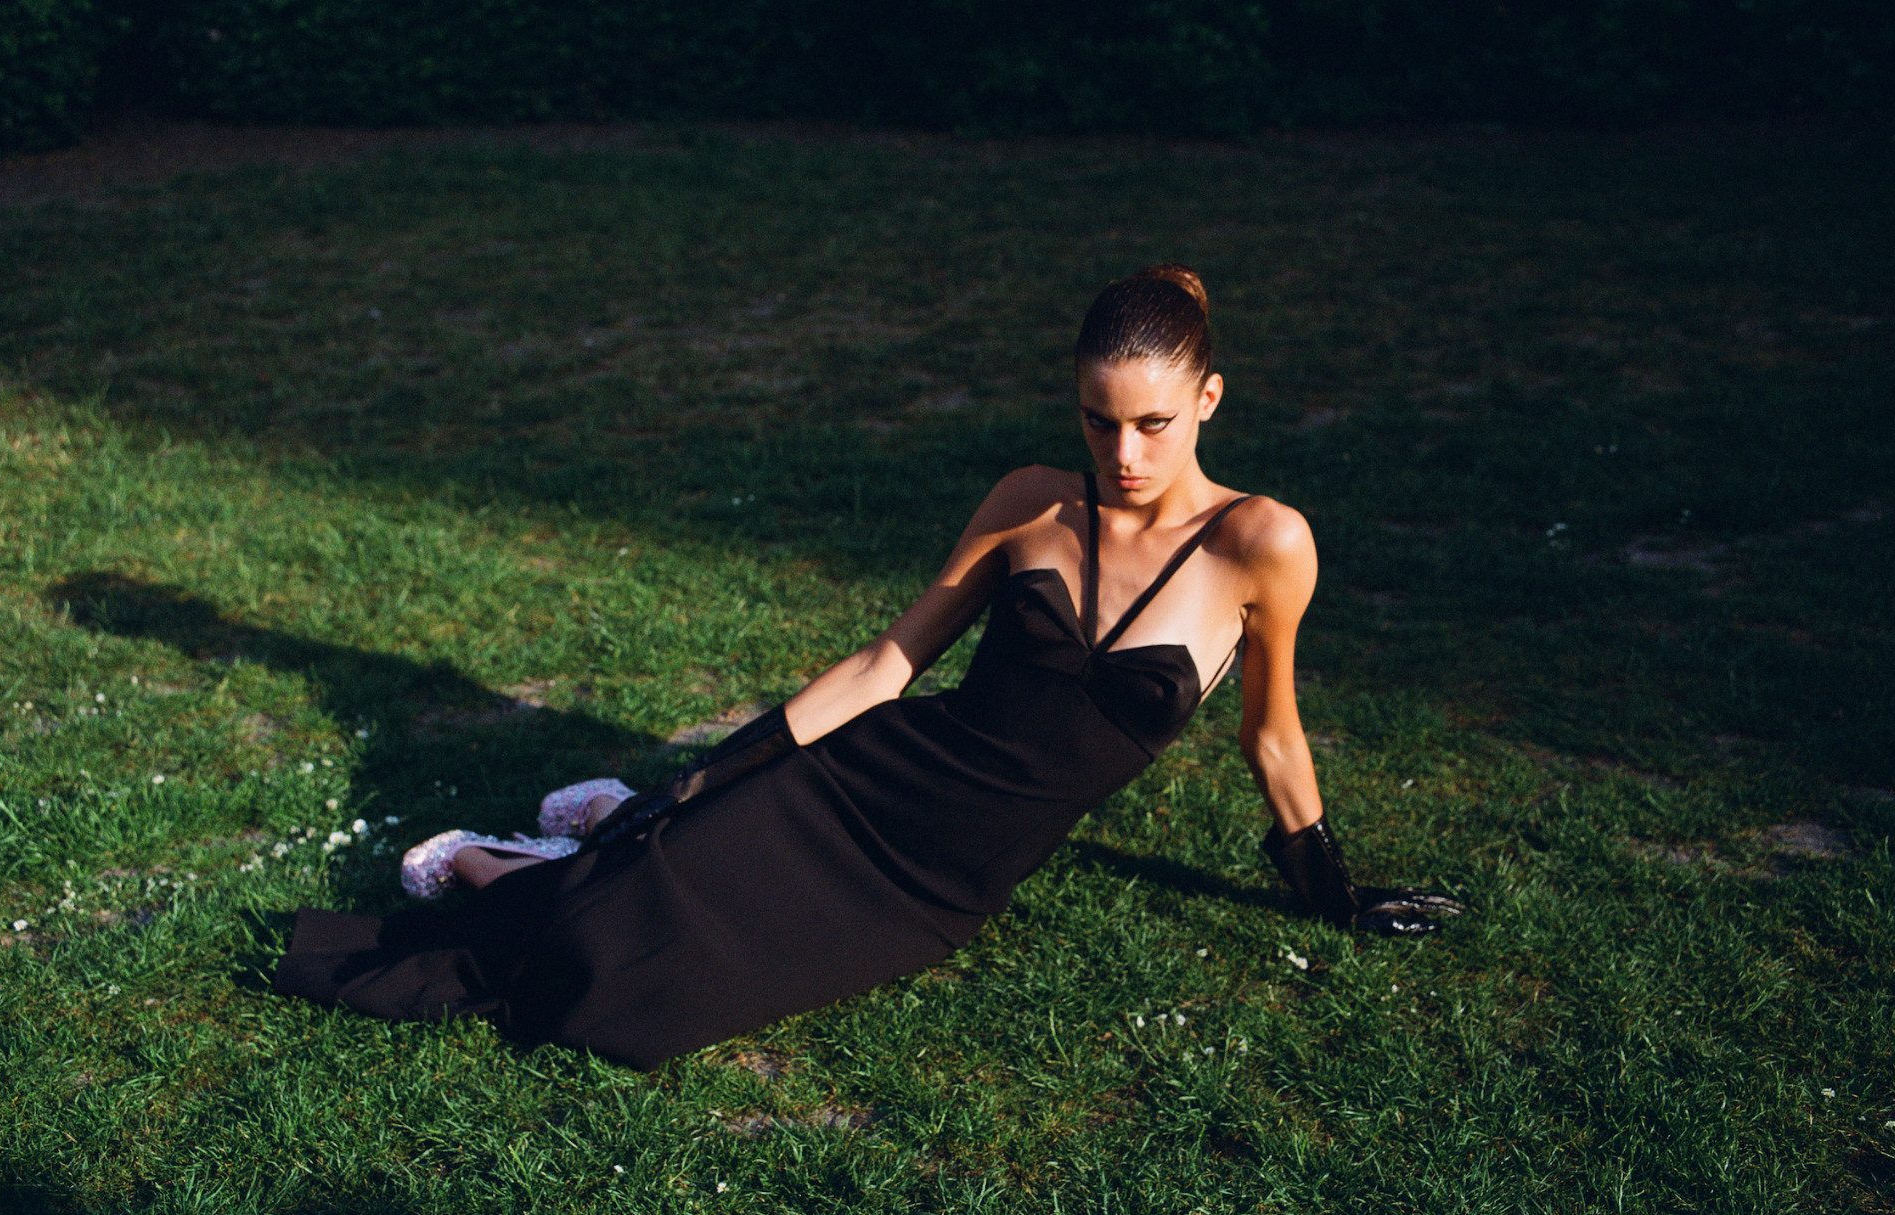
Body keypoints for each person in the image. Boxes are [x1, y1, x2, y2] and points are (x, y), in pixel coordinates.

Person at [274, 264, 1461, 1070]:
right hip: (862, 781)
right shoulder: (1033, 504)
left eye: (1153, 423)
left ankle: (589, 827)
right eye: (1098, 421)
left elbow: (1272, 732)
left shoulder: (1263, 544)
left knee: (643, 1011)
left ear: (1208, 399)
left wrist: (1329, 887)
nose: (1124, 452)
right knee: (611, 924)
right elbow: (891, 661)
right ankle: (505, 856)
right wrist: (719, 771)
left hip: (942, 880)